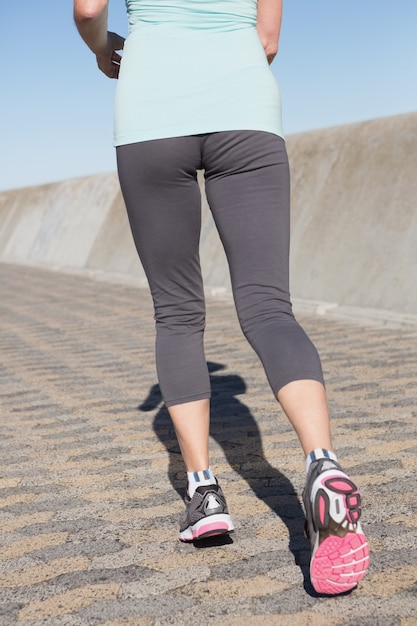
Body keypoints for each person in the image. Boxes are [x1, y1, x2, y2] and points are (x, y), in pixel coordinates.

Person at [74, 0, 369, 595]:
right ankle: (322, 465)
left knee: (178, 312)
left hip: (152, 116)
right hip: (246, 113)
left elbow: (88, 9)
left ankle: (204, 491)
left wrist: (104, 48)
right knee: (268, 307)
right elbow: (268, 40)